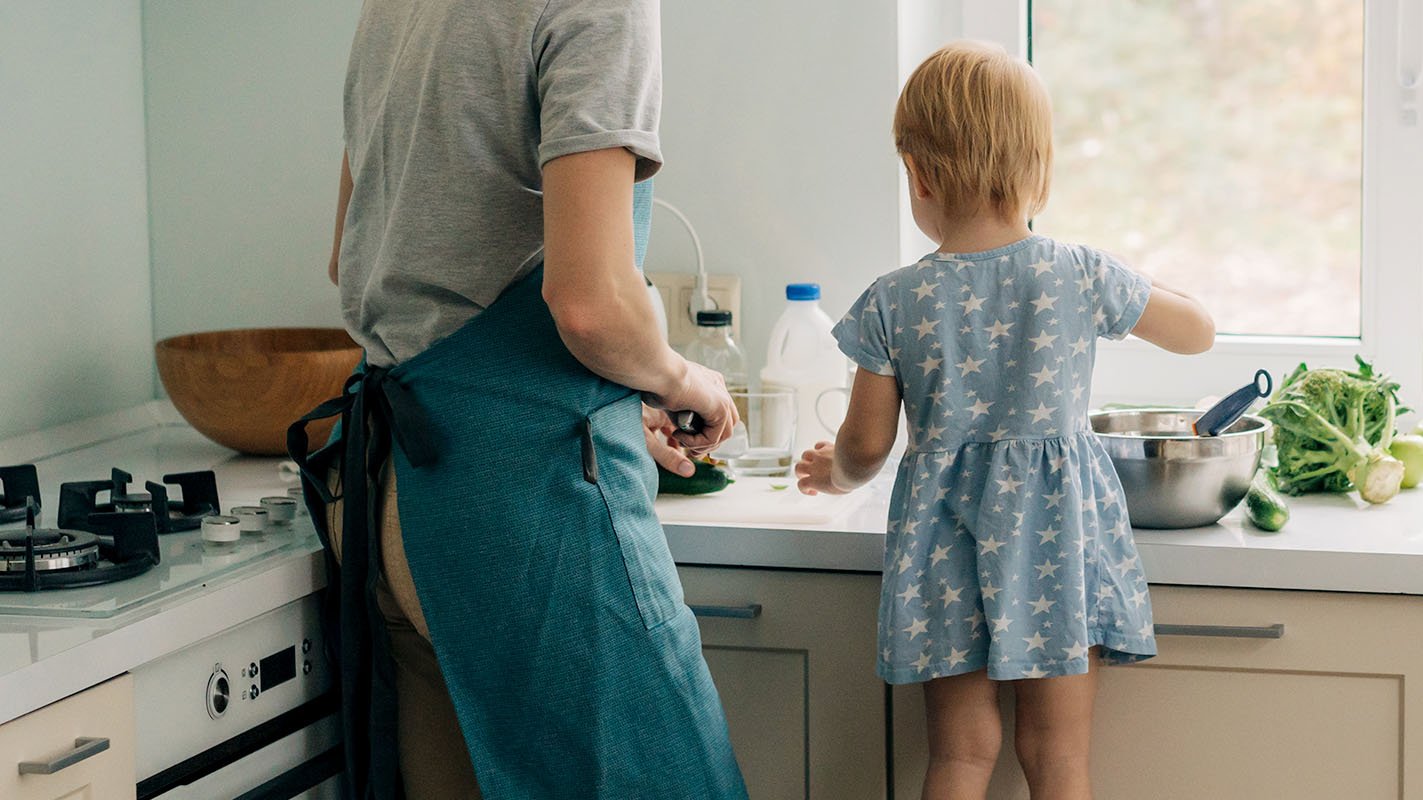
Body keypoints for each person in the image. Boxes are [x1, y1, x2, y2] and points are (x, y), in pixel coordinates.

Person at [288, 0, 749, 797]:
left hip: (388, 496)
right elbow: (591, 304)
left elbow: (347, 257)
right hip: (521, 512)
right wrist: (681, 380)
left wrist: (608, 399)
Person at [793, 41, 1216, 800]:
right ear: (1040, 172)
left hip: (944, 542)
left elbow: (867, 444)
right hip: (1056, 540)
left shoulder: (892, 299)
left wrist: (836, 475)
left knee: (958, 756)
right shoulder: (1079, 272)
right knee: (1058, 757)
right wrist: (1129, 278)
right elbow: (1198, 333)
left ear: (918, 176)